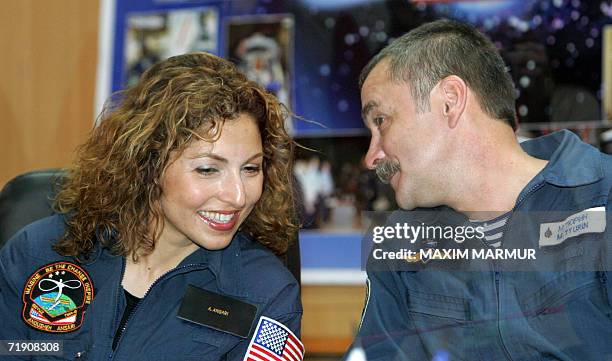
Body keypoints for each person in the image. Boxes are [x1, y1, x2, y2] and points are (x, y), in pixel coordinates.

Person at [0, 52, 304, 360]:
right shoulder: (35, 252)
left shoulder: (265, 294)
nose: (238, 196)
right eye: (208, 169)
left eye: (251, 169)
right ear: (147, 163)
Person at [350, 19, 612, 360]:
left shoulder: (600, 197)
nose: (372, 158)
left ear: (450, 101)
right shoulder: (402, 245)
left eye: (381, 121)